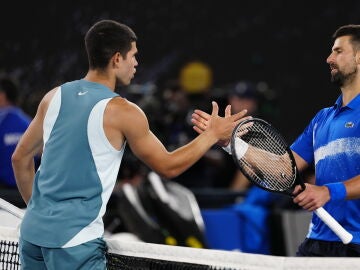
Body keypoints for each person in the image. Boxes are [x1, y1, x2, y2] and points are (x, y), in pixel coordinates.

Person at [11, 19, 249, 269]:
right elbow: (169, 166)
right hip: (75, 243)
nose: (136, 63)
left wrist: (41, 215)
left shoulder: (53, 97)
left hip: (32, 237)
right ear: (116, 59)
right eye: (132, 56)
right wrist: (211, 134)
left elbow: (20, 158)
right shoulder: (123, 112)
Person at [191, 24, 360, 257]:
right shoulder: (322, 119)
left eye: (338, 51)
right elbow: (282, 169)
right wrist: (230, 142)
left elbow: (323, 190)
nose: (329, 58)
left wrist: (328, 192)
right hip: (318, 242)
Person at [0, 76, 32, 189]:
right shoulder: (29, 124)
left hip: (4, 196)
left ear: (2, 96)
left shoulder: (2, 122)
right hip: (28, 193)